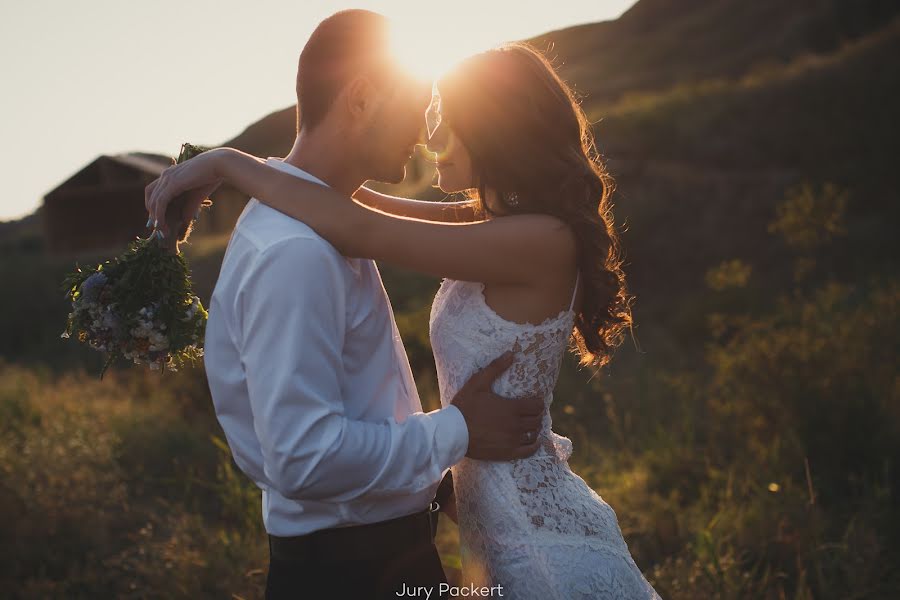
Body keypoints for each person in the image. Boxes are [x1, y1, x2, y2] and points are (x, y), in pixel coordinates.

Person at [146, 26, 662, 600]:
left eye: (442, 115)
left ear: (496, 128)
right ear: (363, 98)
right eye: (423, 110)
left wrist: (230, 164)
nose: (427, 134)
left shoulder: (535, 237)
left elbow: (362, 224)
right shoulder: (301, 251)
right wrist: (452, 438)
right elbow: (357, 210)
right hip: (408, 550)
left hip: (525, 535)